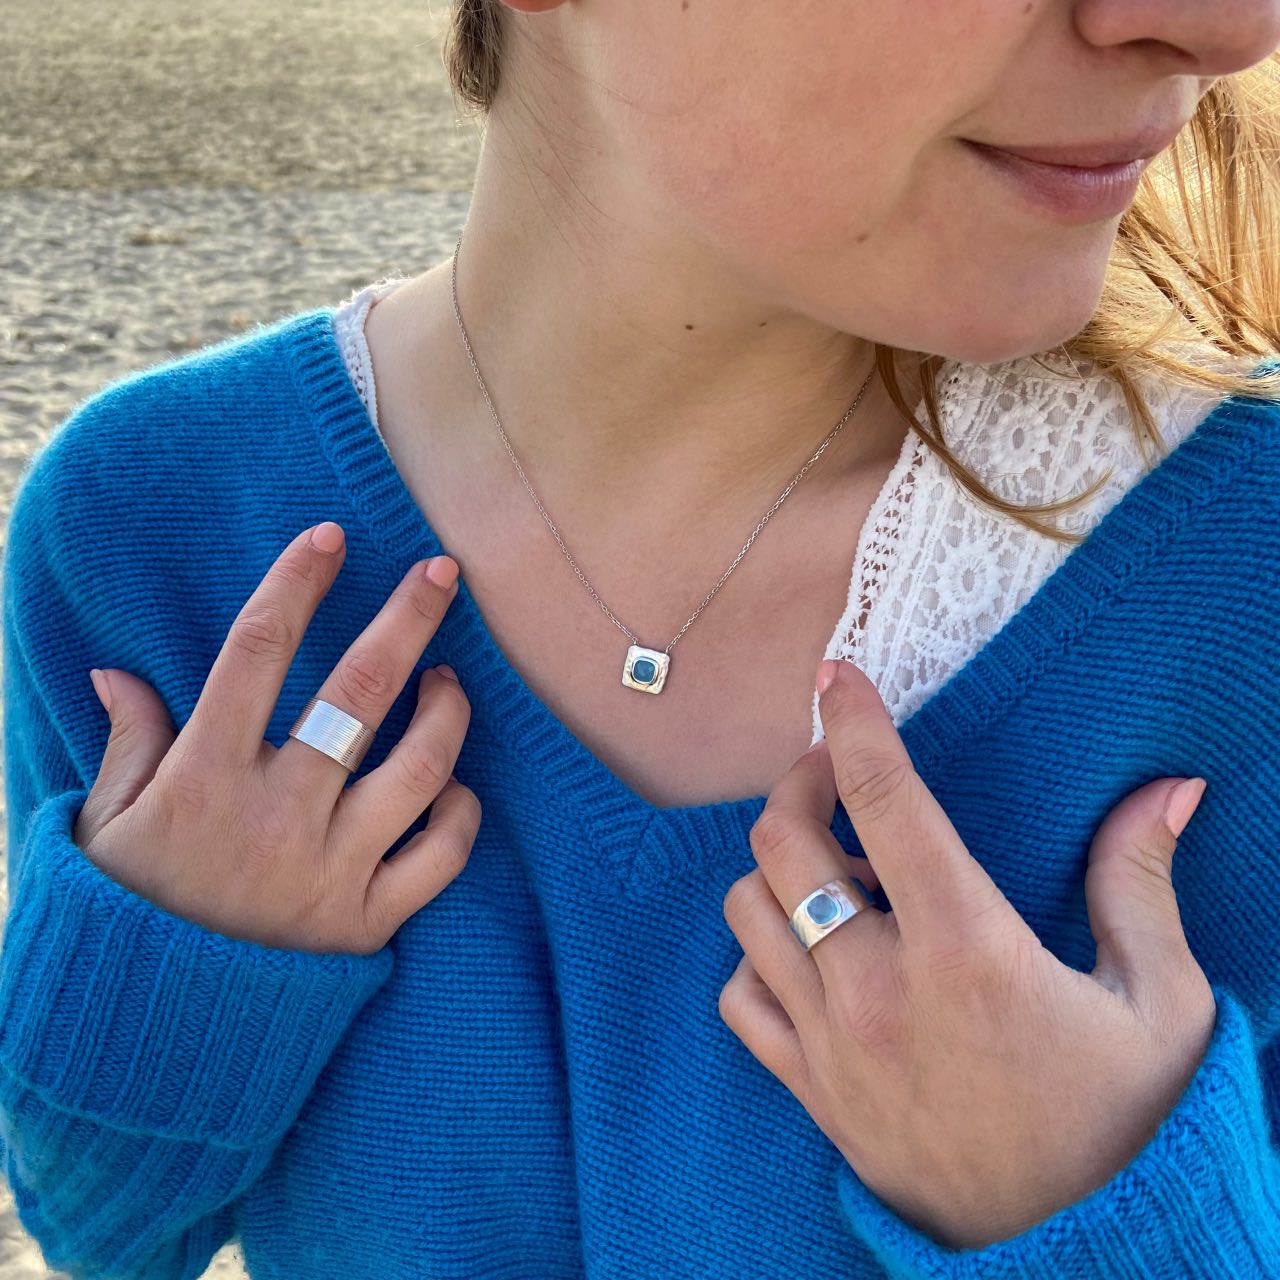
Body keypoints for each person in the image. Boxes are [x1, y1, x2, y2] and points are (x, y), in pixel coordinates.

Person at [3, 0, 1280, 1275]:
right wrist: (179, 973)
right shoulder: (152, 522)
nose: (1231, 28)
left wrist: (1105, 1212)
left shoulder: (1241, 575)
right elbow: (106, 1227)